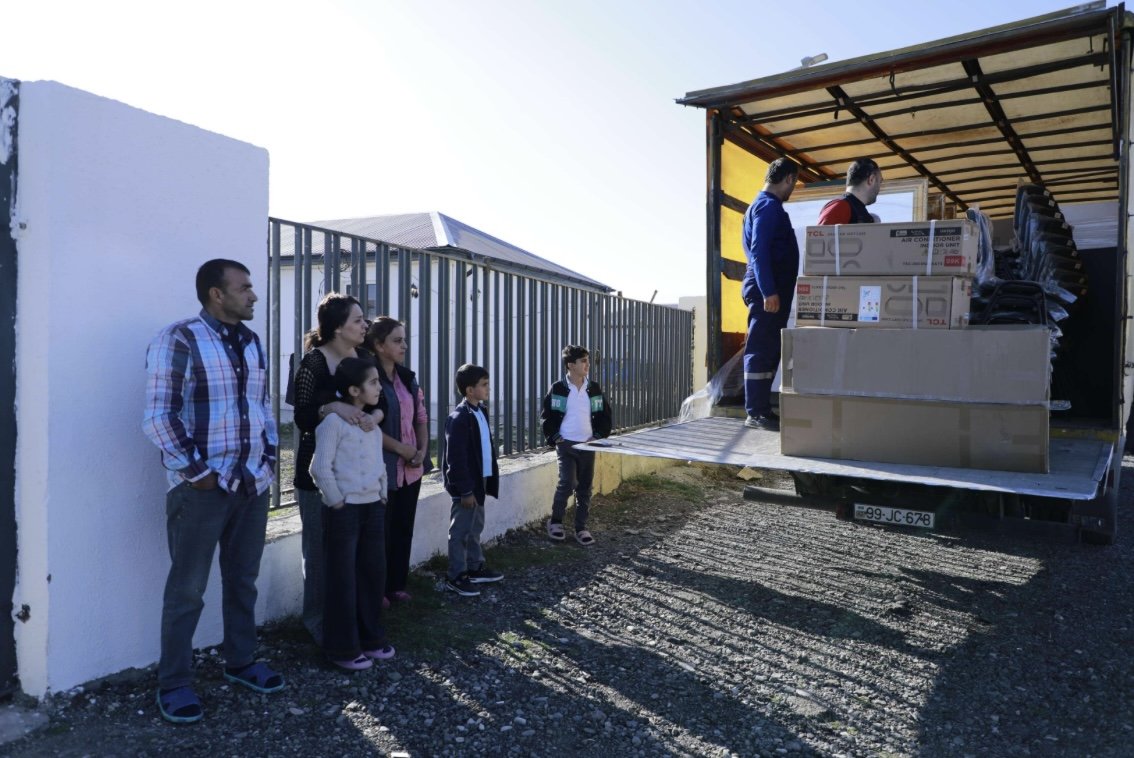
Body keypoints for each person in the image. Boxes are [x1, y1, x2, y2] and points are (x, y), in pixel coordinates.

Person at [143, 259, 285, 724]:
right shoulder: (179, 338)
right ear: (215, 294)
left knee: (243, 580)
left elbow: (261, 408)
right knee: (187, 590)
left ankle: (241, 661)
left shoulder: (252, 342)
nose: (254, 296)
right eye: (244, 288)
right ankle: (175, 683)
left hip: (251, 484)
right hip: (202, 489)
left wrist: (265, 462)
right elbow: (160, 416)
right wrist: (197, 473)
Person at [291, 293, 380, 645]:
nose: (365, 325)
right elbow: (301, 416)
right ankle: (318, 623)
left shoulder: (365, 359)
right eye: (358, 320)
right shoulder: (312, 363)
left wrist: (371, 417)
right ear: (338, 327)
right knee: (318, 551)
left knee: (355, 554)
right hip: (320, 475)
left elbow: (381, 406)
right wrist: (334, 409)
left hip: (359, 479)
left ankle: (352, 621)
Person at [308, 356, 396, 671]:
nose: (378, 388)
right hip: (344, 511)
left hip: (373, 507)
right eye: (373, 383)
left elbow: (378, 463)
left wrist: (382, 494)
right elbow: (319, 467)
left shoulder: (371, 425)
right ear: (354, 390)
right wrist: (336, 501)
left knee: (373, 575)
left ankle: (371, 639)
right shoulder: (333, 423)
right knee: (342, 579)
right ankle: (342, 648)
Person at [364, 317, 432, 606]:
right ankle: (376, 590)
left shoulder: (407, 377)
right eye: (397, 340)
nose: (404, 345)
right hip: (383, 468)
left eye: (404, 339)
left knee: (403, 527)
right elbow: (368, 427)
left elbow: (421, 417)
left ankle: (396, 584)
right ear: (379, 345)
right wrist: (403, 450)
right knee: (380, 532)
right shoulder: (368, 379)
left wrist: (420, 450)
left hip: (411, 468)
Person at [742, 158, 800, 432]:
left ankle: (761, 408)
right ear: (788, 178)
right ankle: (756, 412)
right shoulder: (767, 206)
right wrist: (769, 290)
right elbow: (759, 251)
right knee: (761, 349)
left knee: (768, 350)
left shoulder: (763, 205)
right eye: (795, 183)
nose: (793, 189)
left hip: (770, 289)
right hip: (768, 291)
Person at [540, 345, 612, 546]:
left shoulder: (593, 388)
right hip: (566, 444)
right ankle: (555, 522)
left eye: (588, 360)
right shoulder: (559, 388)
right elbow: (547, 416)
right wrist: (555, 436)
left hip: (588, 445)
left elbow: (605, 415)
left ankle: (581, 528)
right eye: (583, 361)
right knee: (567, 483)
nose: (587, 364)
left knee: (584, 487)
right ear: (571, 365)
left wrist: (597, 436)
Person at [442, 364, 502, 597]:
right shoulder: (458, 418)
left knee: (475, 526)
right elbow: (455, 460)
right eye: (484, 385)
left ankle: (475, 566)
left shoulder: (480, 411)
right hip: (466, 486)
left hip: (480, 481)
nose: (488, 388)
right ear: (469, 390)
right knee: (460, 531)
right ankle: (456, 575)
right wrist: (465, 490)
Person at [816, 158, 884, 225]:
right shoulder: (841, 206)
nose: (879, 188)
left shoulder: (856, 210)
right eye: (880, 182)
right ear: (871, 179)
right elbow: (820, 234)